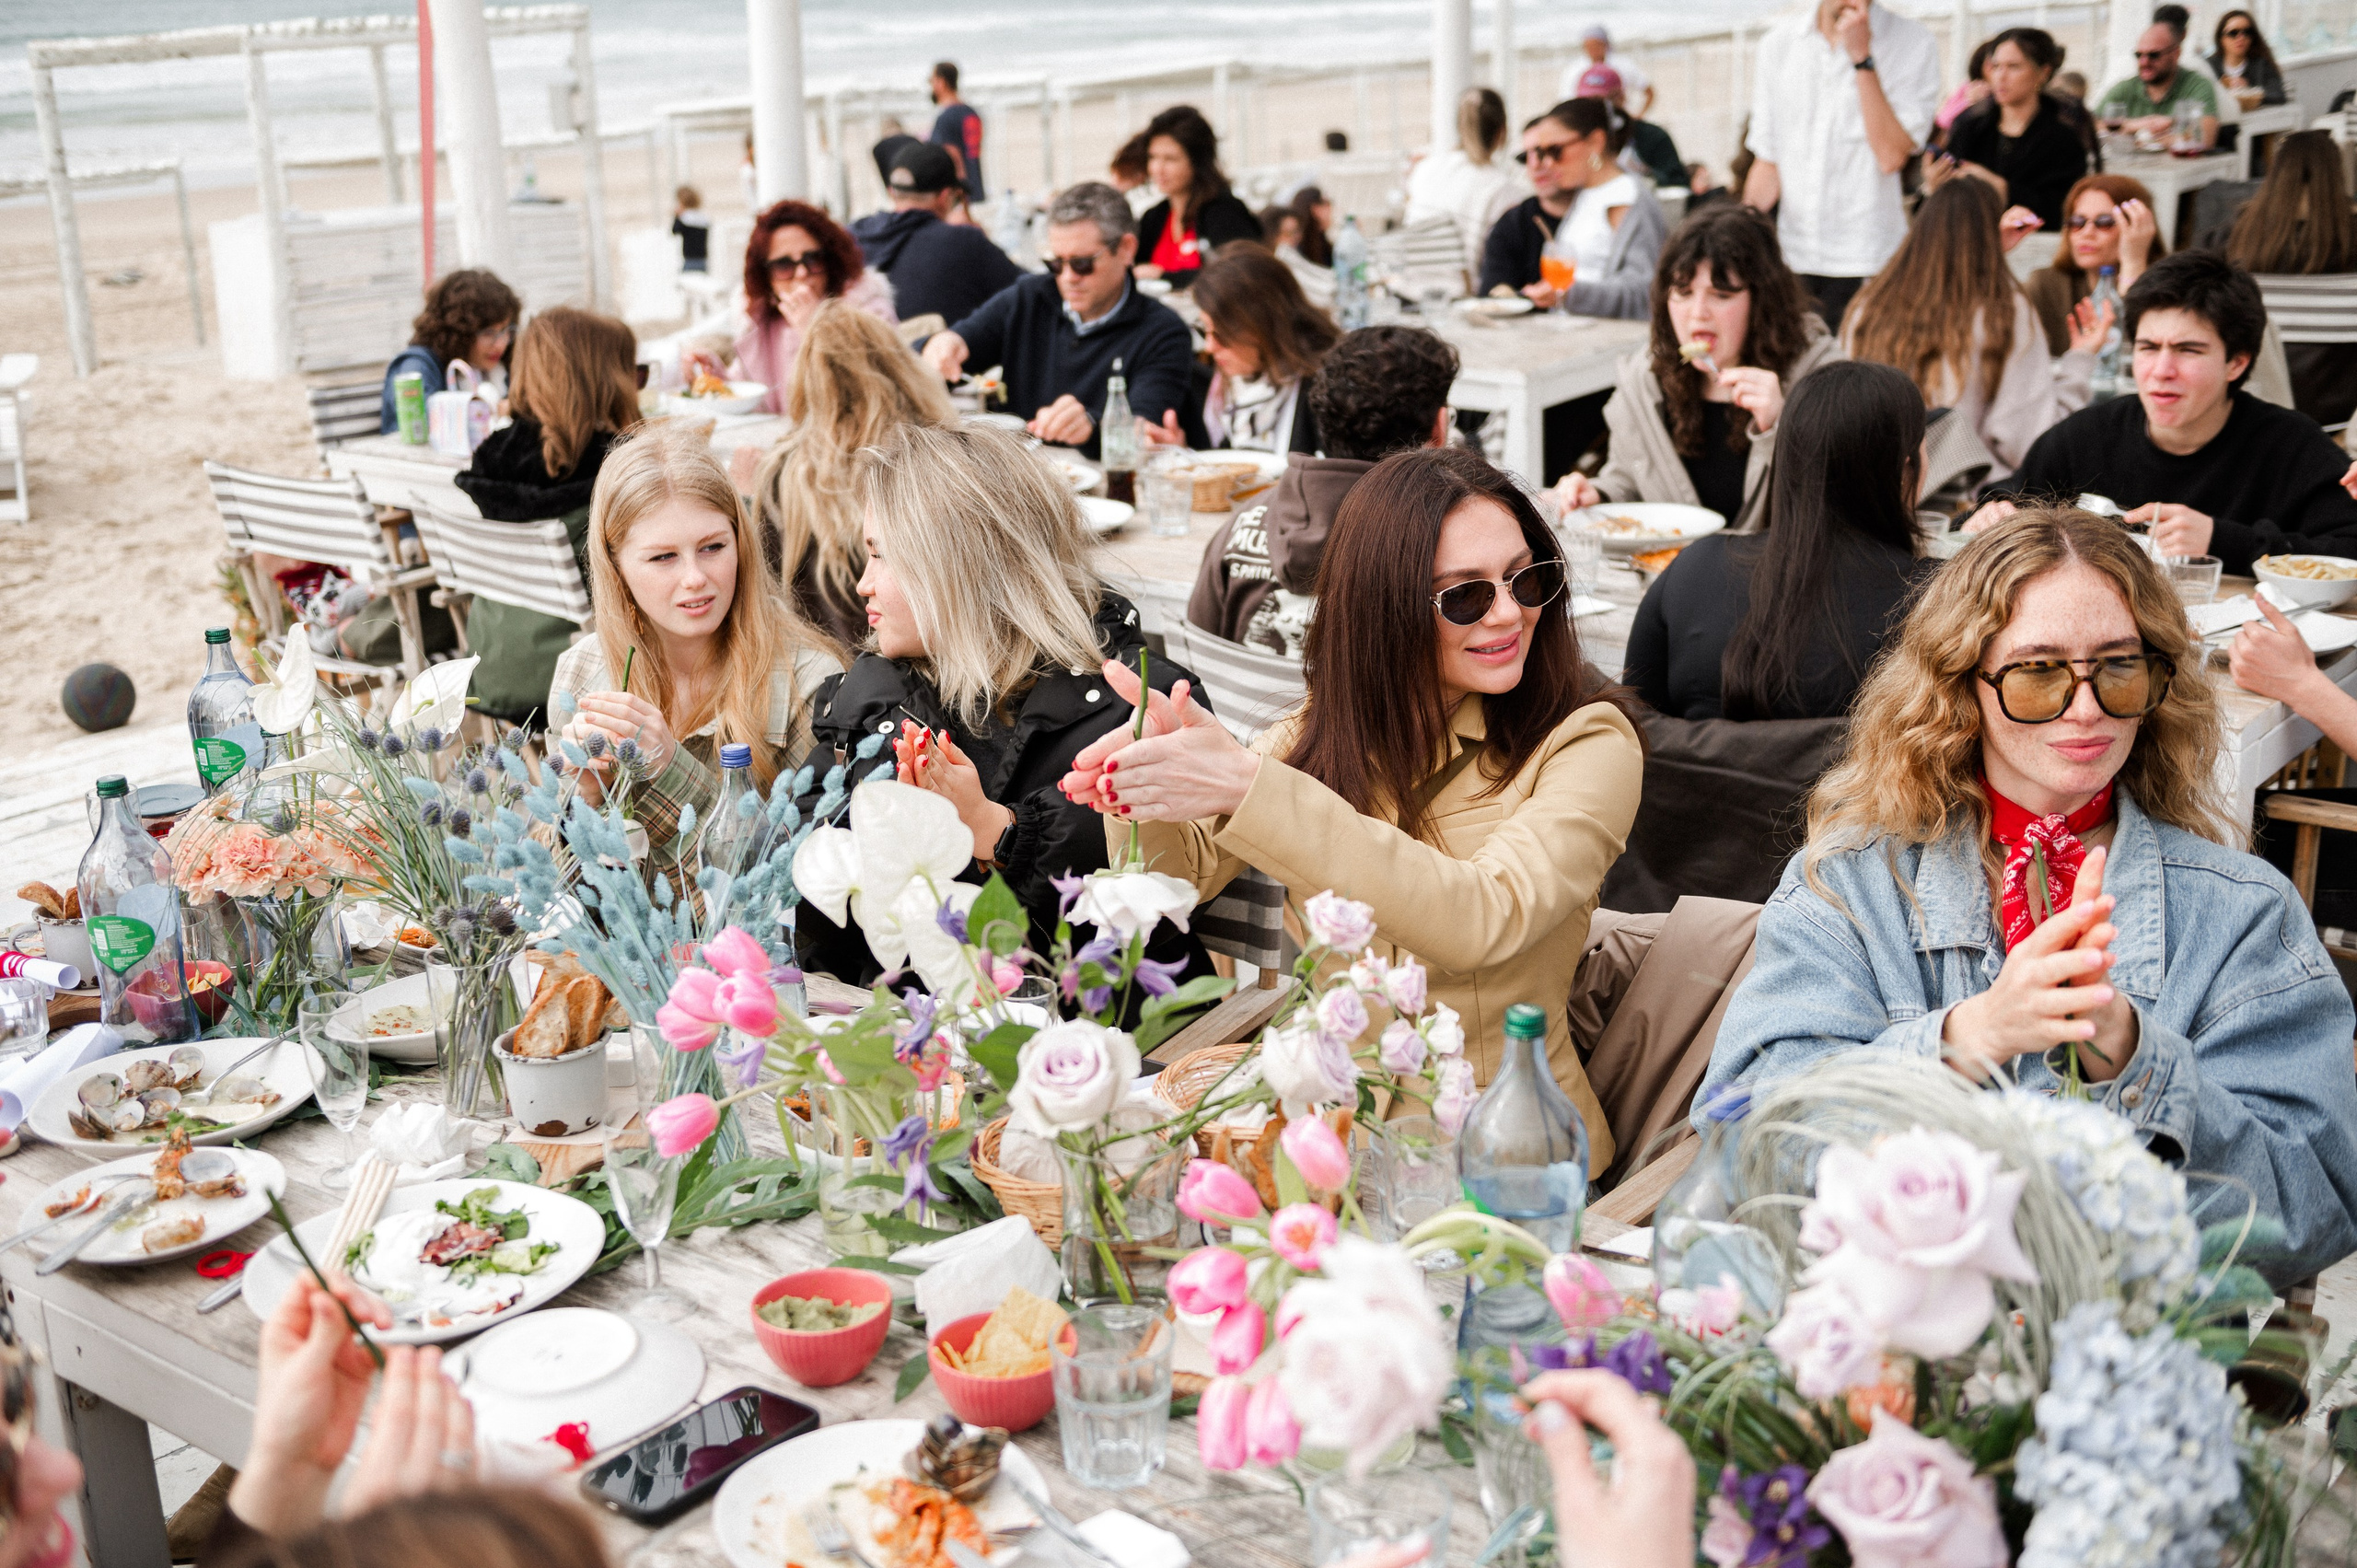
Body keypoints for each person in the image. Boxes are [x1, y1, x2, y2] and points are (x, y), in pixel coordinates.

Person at [1701, 509, 2357, 1286]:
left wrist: (2137, 1061)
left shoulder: (2243, 912)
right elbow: (1743, 1143)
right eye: (2039, 671)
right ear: (1961, 687)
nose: (2086, 709)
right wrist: (1964, 1039)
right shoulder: (1848, 883)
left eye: (2119, 667)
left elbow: (2315, 1208)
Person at [1061, 445, 1646, 1168]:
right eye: (1465, 595)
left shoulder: (1590, 741)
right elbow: (1176, 885)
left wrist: (1251, 786)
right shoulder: (1326, 733)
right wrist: (1142, 781)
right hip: (1331, 1150)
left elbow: (1481, 919)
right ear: (1384, 607)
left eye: (1527, 579)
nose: (1508, 613)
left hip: (1509, 1164)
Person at [794, 423, 1210, 991]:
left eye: (880, 556)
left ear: (957, 568)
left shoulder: (1139, 708)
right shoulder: (875, 704)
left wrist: (995, 830)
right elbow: (822, 919)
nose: (863, 584)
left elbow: (1140, 933)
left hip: (1105, 1048)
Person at [553, 423, 842, 870]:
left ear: (740, 543)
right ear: (616, 567)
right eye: (663, 557)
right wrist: (582, 806)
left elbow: (785, 891)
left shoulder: (812, 686)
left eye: (712, 547)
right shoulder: (581, 673)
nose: (695, 577)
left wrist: (671, 770)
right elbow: (562, 896)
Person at [1971, 250, 2357, 572]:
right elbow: (2003, 499)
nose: (2161, 371)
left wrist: (2220, 540)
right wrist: (1991, 514)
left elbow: (2349, 548)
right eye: (2148, 347)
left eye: (2188, 350)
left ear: (2236, 363)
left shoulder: (2291, 445)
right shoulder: (2088, 435)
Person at [1624, 361, 1933, 721]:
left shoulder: (1694, 570)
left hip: (1697, 777)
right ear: (1902, 470)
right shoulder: (1941, 601)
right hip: (1859, 779)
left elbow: (1635, 727)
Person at [1558, 203, 1842, 532]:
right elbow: (1632, 478)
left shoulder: (1822, 377)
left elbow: (1843, 506)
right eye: (1683, 292)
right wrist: (1599, 494)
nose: (1697, 313)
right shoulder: (1647, 378)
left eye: (1721, 295)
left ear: (1763, 301)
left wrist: (1785, 425)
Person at [1189, 323, 1459, 652]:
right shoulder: (1451, 542)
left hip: (1241, 704)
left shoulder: (1240, 526)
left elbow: (1196, 653)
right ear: (1439, 429)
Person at [452, 306, 642, 726]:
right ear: (609, 380)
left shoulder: (492, 459)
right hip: (580, 682)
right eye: (635, 372)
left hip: (490, 670)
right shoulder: (617, 466)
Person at [1844, 178, 2100, 482]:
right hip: (1966, 504)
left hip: (1871, 491)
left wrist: (1990, 256)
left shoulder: (1868, 304)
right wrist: (2080, 360)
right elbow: (2029, 440)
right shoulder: (2003, 312)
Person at [920, 182, 1193, 460]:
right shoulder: (1028, 297)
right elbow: (956, 344)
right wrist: (942, 344)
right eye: (1056, 263)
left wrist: (1091, 426)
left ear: (1126, 249)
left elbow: (1145, 428)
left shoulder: (1164, 332)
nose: (1067, 277)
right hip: (1018, 478)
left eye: (1082, 263)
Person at [750, 301, 958, 656]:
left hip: (825, 672)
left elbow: (766, 595)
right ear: (898, 366)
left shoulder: (781, 476)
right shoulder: (938, 458)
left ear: (807, 382)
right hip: (928, 670)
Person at [1742, 0, 1942, 331]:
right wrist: (1742, 234)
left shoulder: (1914, 42)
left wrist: (1861, 58)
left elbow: (1891, 155)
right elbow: (1768, 161)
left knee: (1858, 375)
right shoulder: (1778, 44)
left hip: (1869, 257)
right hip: (1793, 255)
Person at [1479, 99, 1668, 322]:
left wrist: (1570, 294)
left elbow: (1643, 293)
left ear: (1596, 142)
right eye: (1541, 153)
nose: (1547, 163)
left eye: (1555, 151)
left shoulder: (1627, 198)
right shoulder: (1586, 194)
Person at [1141, 244, 1337, 457]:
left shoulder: (1326, 392)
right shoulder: (1236, 385)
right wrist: (1181, 456)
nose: (1209, 346)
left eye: (1222, 334)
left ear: (1263, 325)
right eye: (1203, 330)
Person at [2223, 130, 2357, 425]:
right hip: (2342, 418)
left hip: (2256, 411)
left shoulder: (2233, 236)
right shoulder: (2351, 237)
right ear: (2337, 176)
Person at [714, 200, 895, 416]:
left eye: (813, 259)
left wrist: (817, 329)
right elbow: (751, 393)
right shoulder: (762, 321)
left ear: (830, 262)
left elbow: (878, 397)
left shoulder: (869, 310)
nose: (801, 273)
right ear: (767, 276)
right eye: (784, 265)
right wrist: (715, 377)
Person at [850, 143, 1023, 329]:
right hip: (939, 354)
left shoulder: (853, 236)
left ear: (891, 192)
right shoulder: (964, 241)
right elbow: (1027, 289)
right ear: (945, 196)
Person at [1938, 28, 2093, 231]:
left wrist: (2002, 188)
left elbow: (2063, 212)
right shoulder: (1969, 128)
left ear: (2043, 73)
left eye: (2014, 67)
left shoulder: (2063, 140)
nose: (2001, 76)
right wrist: (1935, 187)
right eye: (1996, 66)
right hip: (1967, 242)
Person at [2022, 173, 2166, 356]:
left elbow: (2135, 356)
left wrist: (2134, 264)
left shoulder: (2168, 285)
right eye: (2077, 222)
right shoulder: (2046, 285)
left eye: (2104, 223)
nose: (2087, 233)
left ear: (2138, 226)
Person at [1134, 106, 1262, 288]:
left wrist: (1164, 276)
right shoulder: (1153, 218)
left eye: (1170, 159)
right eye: (1153, 158)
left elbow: (1242, 276)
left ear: (1197, 161)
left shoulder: (1224, 212)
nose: (1158, 169)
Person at [377, 267, 518, 432]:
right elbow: (428, 427)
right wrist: (497, 409)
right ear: (459, 332)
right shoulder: (417, 366)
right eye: (488, 333)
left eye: (505, 331)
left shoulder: (495, 368)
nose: (500, 344)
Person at [1403, 87, 1519, 276]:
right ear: (1502, 132)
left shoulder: (1424, 169)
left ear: (1459, 127)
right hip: (1462, 296)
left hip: (1408, 283)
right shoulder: (1501, 187)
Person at [2096, 20, 2220, 148]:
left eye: (2153, 55)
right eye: (2139, 55)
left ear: (2176, 53)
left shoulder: (2197, 85)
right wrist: (2140, 124)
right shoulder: (2125, 88)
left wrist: (2134, 139)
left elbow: (2205, 137)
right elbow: (2089, 125)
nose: (2144, 62)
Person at [1559, 24, 1655, 119]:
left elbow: (1649, 91)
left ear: (1606, 44)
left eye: (1596, 45)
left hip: (1619, 118)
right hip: (1587, 121)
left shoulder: (1623, 65)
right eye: (1588, 46)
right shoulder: (1574, 70)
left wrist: (1640, 115)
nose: (1593, 50)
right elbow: (1566, 102)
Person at [927, 61, 985, 203]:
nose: (931, 86)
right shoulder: (971, 113)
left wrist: (958, 197)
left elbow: (953, 159)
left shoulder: (945, 118)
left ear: (941, 82)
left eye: (931, 80)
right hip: (977, 189)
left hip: (961, 197)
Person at [2210, 9, 2287, 109]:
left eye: (2247, 32)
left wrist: (2249, 91)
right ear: (2221, 39)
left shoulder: (2262, 65)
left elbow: (2278, 95)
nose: (2241, 38)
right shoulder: (2209, 66)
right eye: (2233, 33)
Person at [1289, 186, 1336, 268]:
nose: (1331, 208)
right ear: (1316, 209)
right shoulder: (1300, 246)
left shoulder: (1319, 241)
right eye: (1327, 203)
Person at [671, 185, 710, 273]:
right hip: (702, 259)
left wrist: (677, 216)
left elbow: (674, 231)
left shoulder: (684, 219)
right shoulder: (702, 218)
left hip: (690, 259)